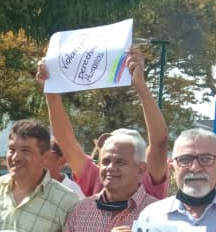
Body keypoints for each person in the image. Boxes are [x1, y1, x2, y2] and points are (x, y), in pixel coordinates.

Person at [39, 48, 170, 199]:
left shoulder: (149, 186)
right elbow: (65, 141)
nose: (111, 167)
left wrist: (140, 86)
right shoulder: (96, 179)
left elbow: (159, 142)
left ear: (140, 169)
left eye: (121, 161)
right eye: (106, 160)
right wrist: (51, 92)